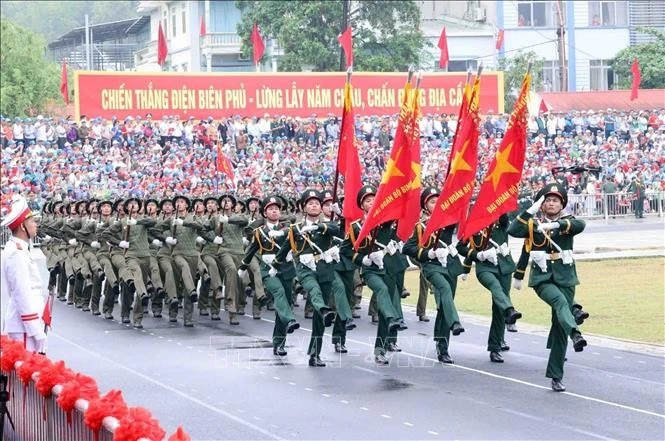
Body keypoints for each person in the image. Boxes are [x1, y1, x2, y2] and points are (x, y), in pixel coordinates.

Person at [507, 183, 588, 392]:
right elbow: (513, 230)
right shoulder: (533, 224)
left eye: (555, 200)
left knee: (560, 325)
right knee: (561, 303)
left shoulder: (567, 221)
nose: (551, 203)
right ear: (541, 205)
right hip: (543, 279)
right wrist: (530, 211)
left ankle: (555, 375)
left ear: (562, 204)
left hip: (566, 278)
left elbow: (580, 225)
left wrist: (557, 226)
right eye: (547, 200)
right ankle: (576, 333)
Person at [1, 197, 48, 353]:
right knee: (26, 373)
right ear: (22, 226)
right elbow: (22, 293)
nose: (36, 225)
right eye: (32, 222)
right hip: (24, 327)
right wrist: (35, 329)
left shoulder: (18, 249)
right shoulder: (16, 253)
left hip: (24, 324)